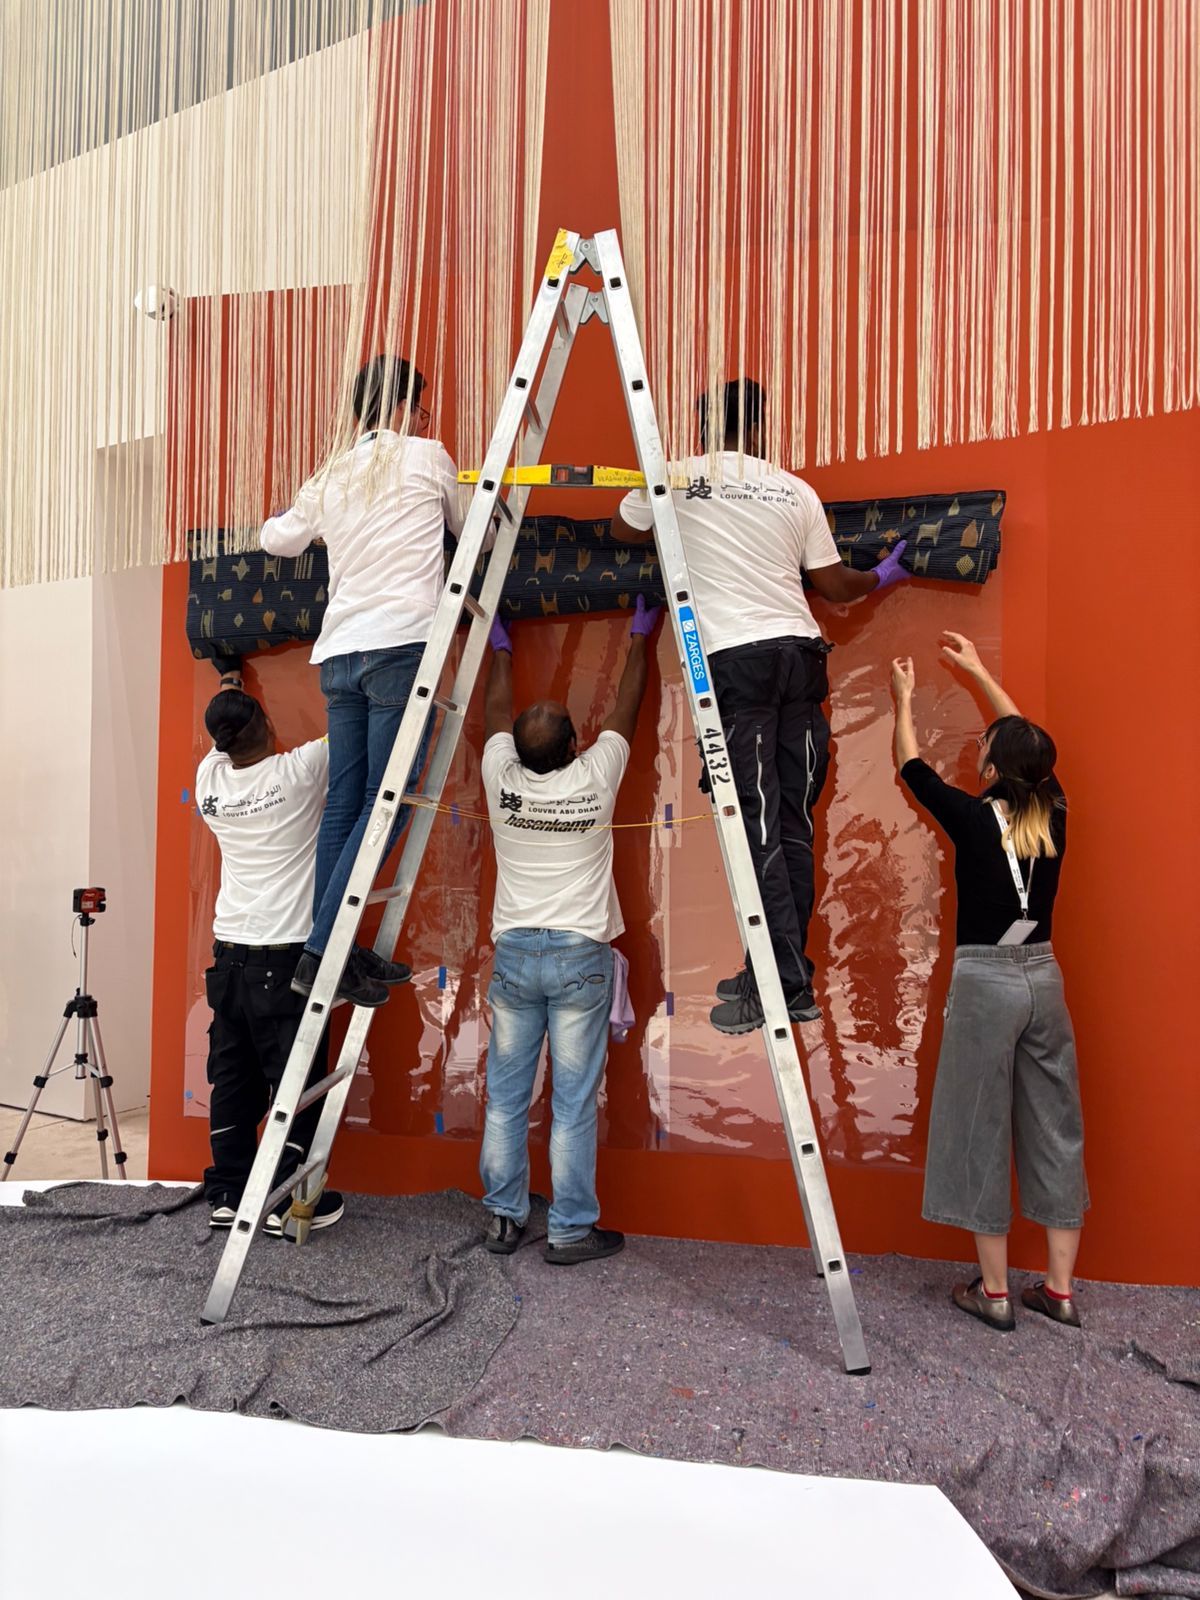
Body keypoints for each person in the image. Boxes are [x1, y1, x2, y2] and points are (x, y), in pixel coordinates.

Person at [611, 377, 908, 1035]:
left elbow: (622, 528)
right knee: (791, 826)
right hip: (800, 658)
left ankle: (780, 985)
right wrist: (882, 575)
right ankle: (773, 973)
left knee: (758, 828)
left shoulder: (679, 476)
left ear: (701, 423)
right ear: (759, 426)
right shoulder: (793, 487)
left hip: (736, 666)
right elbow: (834, 586)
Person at [261, 353, 478, 1007]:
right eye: (422, 405)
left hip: (342, 654)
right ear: (407, 406)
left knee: (347, 808)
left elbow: (278, 541)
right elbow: (472, 531)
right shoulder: (426, 455)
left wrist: (289, 511)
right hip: (399, 647)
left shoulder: (331, 473)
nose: (425, 417)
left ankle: (336, 948)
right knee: (387, 803)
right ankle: (325, 951)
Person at [890, 631, 1088, 1332]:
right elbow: (1032, 746)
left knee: (977, 1126)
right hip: (1045, 977)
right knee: (1056, 1125)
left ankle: (996, 1293)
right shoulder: (1053, 814)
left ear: (993, 765)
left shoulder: (974, 820)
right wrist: (979, 674)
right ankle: (1059, 1291)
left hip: (986, 983)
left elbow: (911, 767)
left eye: (983, 747)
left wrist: (904, 699)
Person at [477, 598, 660, 1264]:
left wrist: (501, 648)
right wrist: (641, 635)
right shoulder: (596, 778)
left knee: (505, 1096)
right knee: (572, 1104)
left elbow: (497, 715)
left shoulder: (501, 782)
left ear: (517, 754)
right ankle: (568, 1231)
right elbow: (626, 708)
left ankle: (503, 1219)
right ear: (575, 748)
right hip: (580, 957)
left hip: (517, 954)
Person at [196, 667, 343, 1234]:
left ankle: (229, 1193)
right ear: (265, 722)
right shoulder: (300, 772)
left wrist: (230, 689)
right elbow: (348, 733)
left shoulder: (209, 781)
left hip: (229, 957)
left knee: (231, 1077)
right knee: (296, 1082)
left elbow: (221, 739)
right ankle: (286, 1202)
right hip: (282, 959)